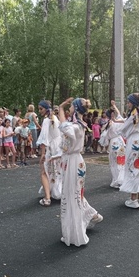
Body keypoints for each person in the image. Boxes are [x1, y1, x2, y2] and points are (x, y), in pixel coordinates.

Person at [57, 97, 103, 246]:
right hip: (72, 161)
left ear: (75, 109)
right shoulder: (77, 124)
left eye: (71, 106)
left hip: (74, 163)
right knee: (74, 195)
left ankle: (75, 234)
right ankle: (91, 214)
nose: (69, 108)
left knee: (73, 196)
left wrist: (60, 109)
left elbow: (65, 128)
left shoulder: (76, 126)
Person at [36, 100, 62, 206]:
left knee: (44, 171)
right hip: (58, 147)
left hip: (52, 148)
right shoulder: (55, 119)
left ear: (46, 109)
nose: (39, 111)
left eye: (41, 109)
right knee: (57, 171)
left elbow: (44, 138)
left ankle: (47, 198)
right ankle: (57, 191)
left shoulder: (47, 120)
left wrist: (42, 153)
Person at [100, 101, 126, 189]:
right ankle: (121, 179)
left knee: (114, 162)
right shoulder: (118, 120)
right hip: (120, 141)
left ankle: (116, 180)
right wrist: (114, 106)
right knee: (121, 160)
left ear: (107, 116)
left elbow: (103, 135)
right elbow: (118, 113)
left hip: (113, 142)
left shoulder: (108, 124)